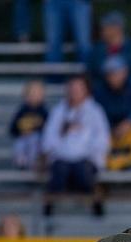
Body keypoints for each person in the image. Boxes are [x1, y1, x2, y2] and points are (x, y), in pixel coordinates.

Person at [41, 75, 111, 217]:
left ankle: (95, 203)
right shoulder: (58, 111)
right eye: (72, 88)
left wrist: (91, 154)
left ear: (86, 91)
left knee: (83, 172)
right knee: (59, 172)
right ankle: (50, 208)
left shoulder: (95, 111)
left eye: (79, 88)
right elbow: (48, 137)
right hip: (61, 158)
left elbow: (102, 138)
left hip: (86, 159)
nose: (75, 91)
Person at [87, 11, 131, 89]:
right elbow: (91, 73)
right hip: (102, 92)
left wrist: (123, 81)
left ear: (117, 28)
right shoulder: (98, 49)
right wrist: (108, 79)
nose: (102, 31)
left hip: (128, 93)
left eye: (106, 27)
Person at [10, 80, 49, 171]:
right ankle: (20, 159)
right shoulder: (22, 110)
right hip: (23, 138)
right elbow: (12, 129)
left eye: (37, 93)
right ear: (25, 95)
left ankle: (33, 163)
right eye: (32, 93)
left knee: (34, 140)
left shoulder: (43, 111)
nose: (34, 96)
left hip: (38, 140)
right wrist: (21, 131)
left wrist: (35, 129)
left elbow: (48, 128)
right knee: (19, 143)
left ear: (42, 95)